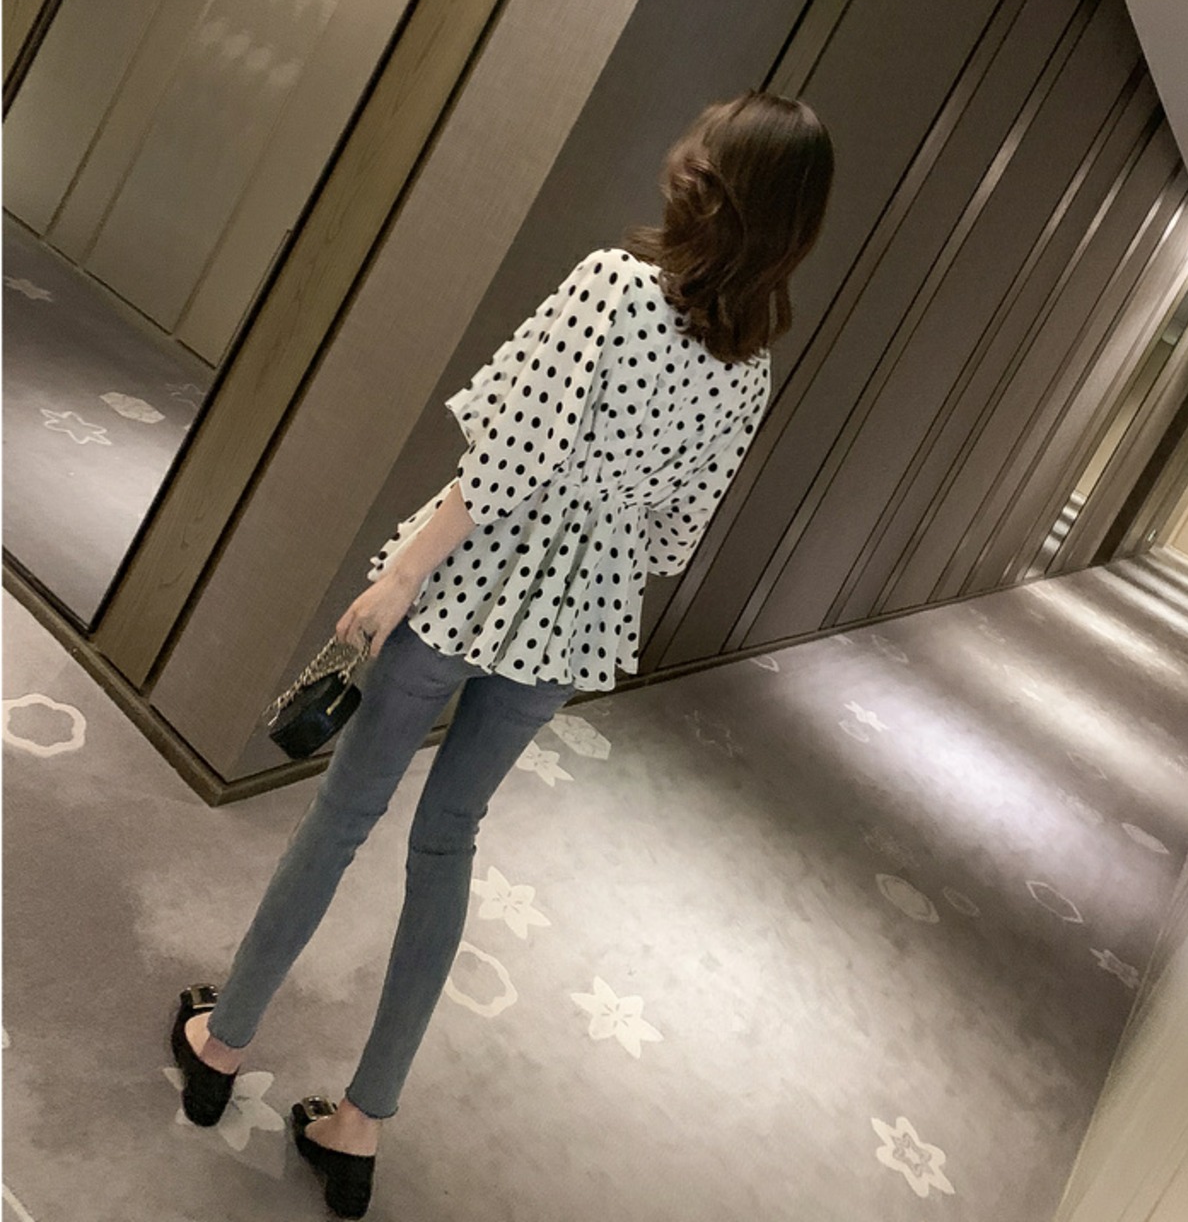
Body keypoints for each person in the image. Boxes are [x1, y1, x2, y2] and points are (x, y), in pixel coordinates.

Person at [168, 89, 834, 1219]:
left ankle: (221, 1044)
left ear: (705, 178)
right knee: (449, 839)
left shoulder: (613, 285)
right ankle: (361, 1124)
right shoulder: (749, 369)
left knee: (344, 813)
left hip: (470, 585)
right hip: (576, 622)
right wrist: (598, 530)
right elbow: (672, 537)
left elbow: (506, 462)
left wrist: (400, 575)